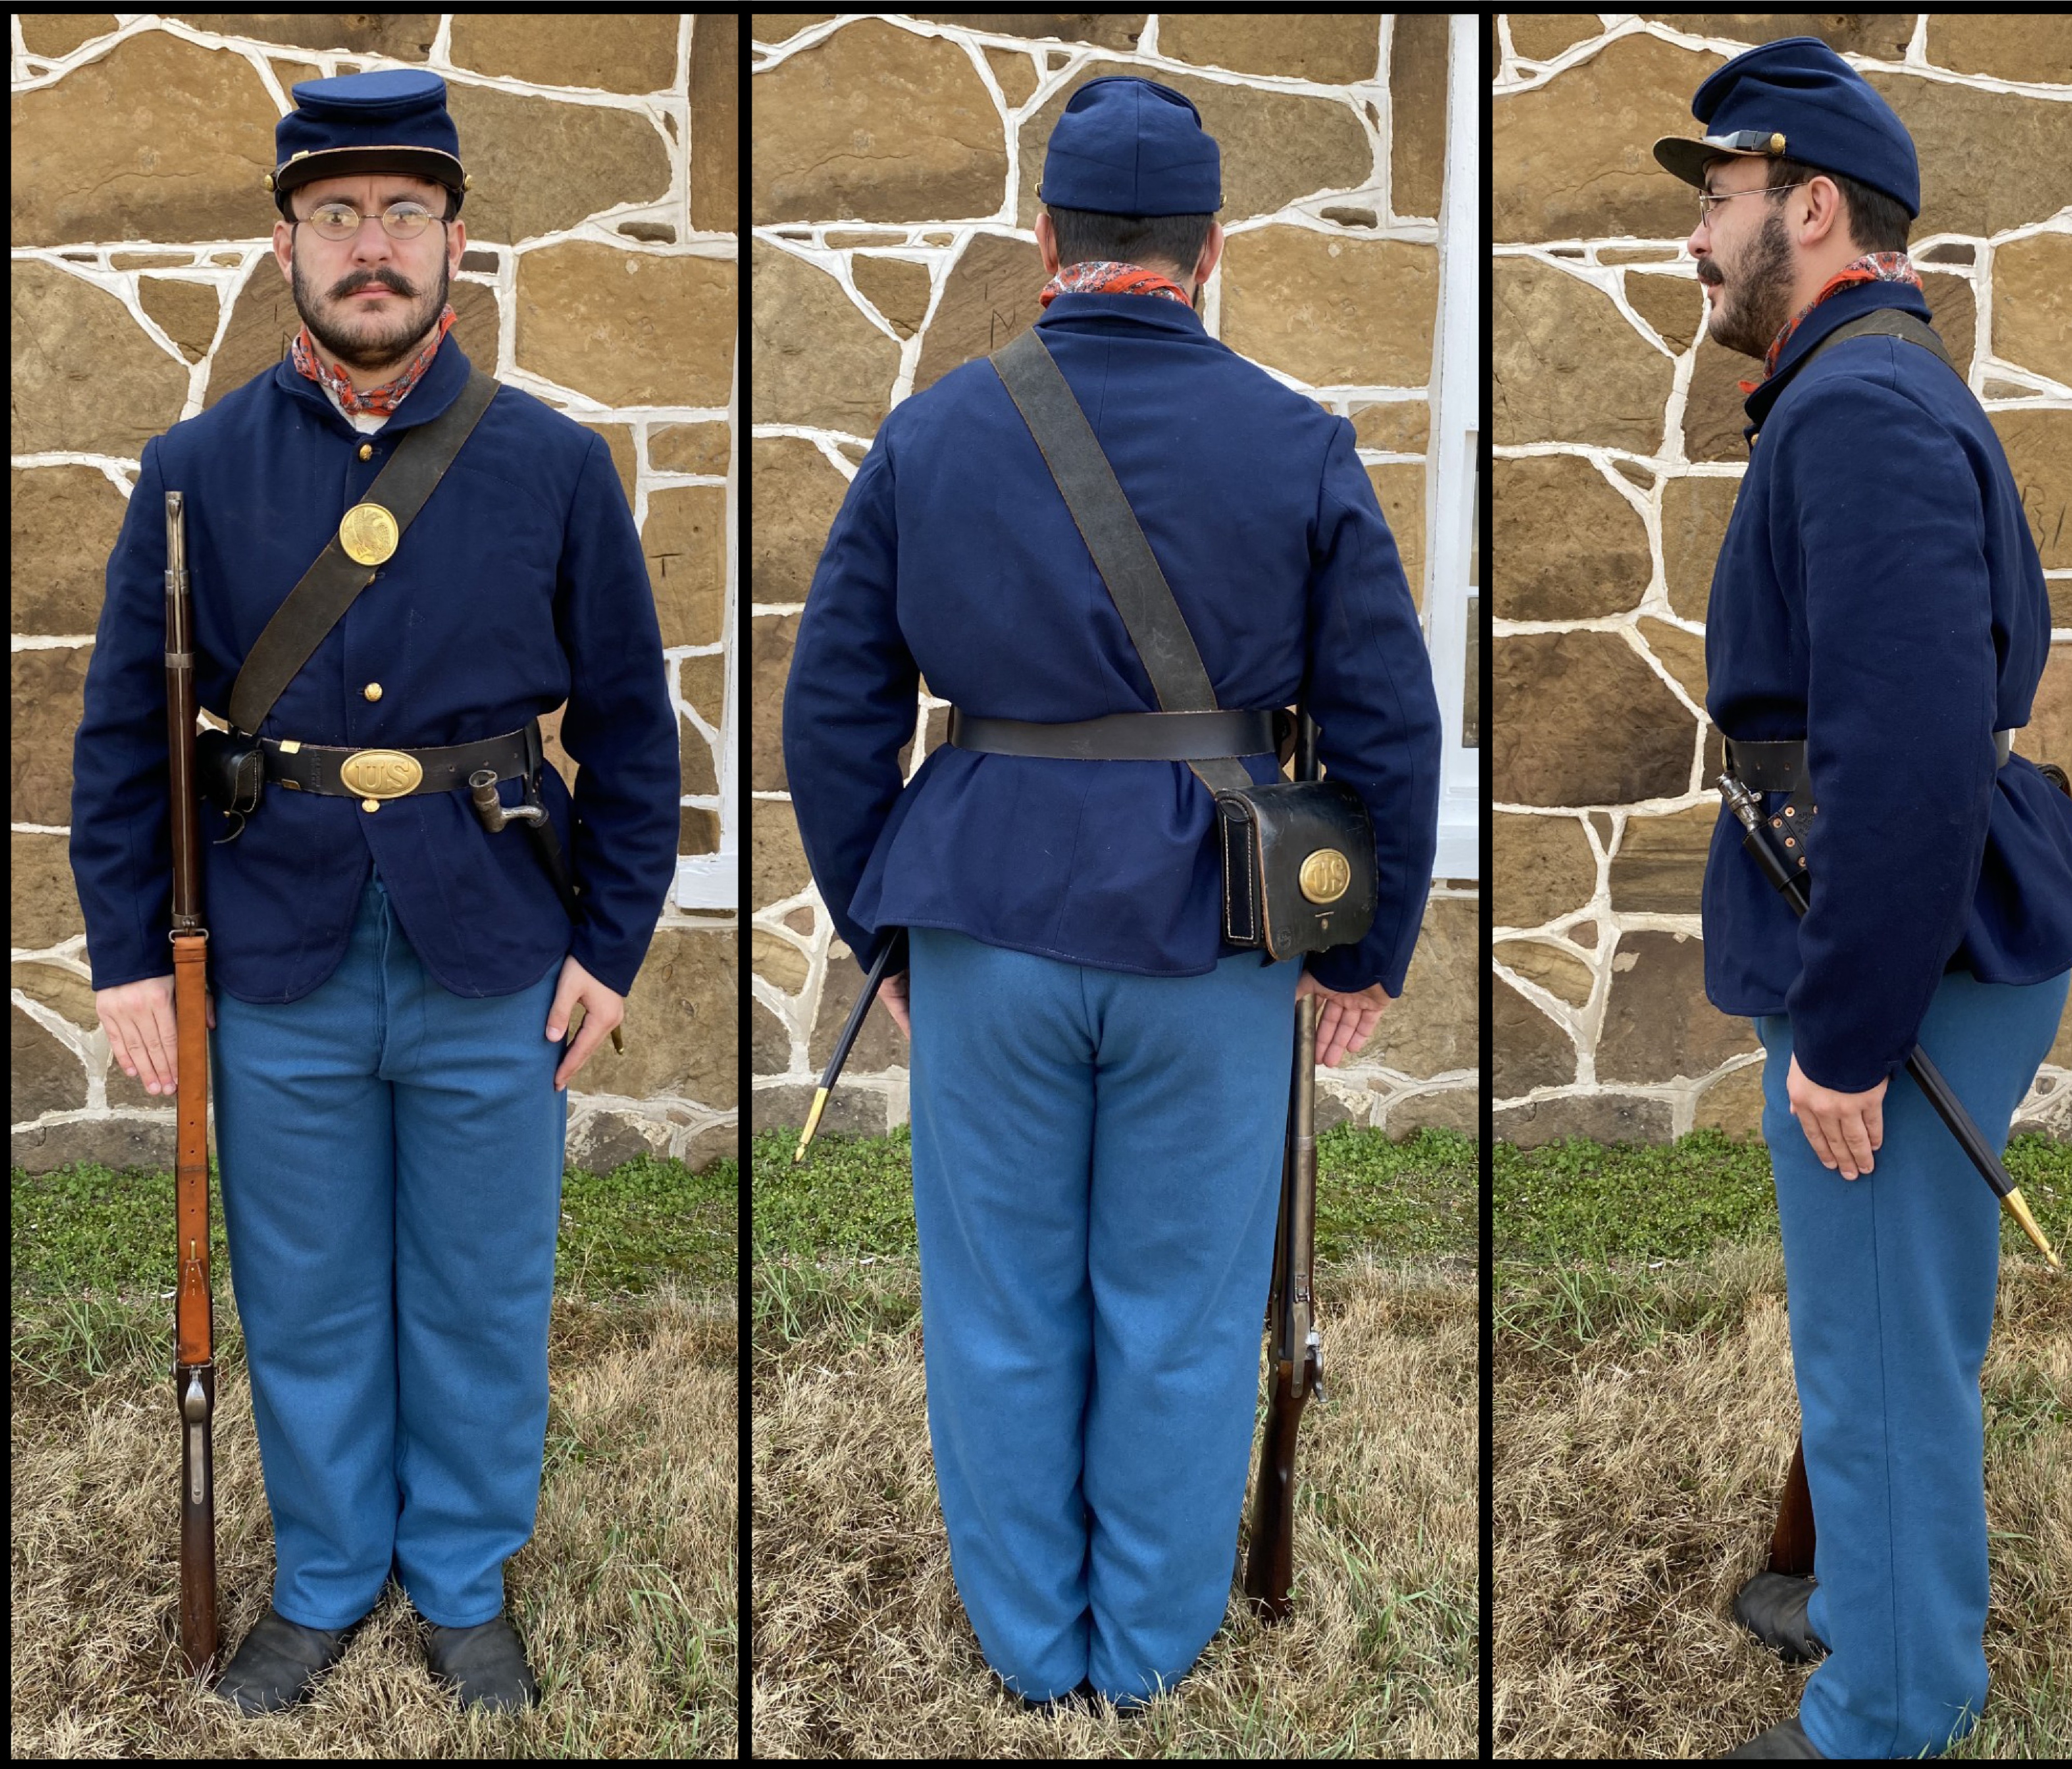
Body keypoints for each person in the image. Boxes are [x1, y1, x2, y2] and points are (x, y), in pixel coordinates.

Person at [780, 74, 1442, 1713]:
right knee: (1183, 1310)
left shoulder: (933, 434)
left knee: (1002, 1306)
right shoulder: (1299, 442)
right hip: (1215, 933)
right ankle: (1144, 1648)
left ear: (1045, 240)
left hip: (987, 921)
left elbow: (833, 706)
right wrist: (1366, 944)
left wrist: (883, 921)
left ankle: (1028, 1640)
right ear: (1212, 249)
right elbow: (1387, 719)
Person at [69, 68, 681, 1714]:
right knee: (309, 1288)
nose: (371, 246)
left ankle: (464, 1577)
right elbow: (126, 736)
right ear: (285, 245)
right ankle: (332, 1572)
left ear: (456, 243)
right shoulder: (192, 467)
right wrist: (128, 955)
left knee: (481, 1287)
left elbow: (633, 726)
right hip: (276, 941)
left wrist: (612, 944)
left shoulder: (553, 464)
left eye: (404, 211)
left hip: (496, 938)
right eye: (335, 213)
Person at [1652, 36, 2072, 1760]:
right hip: (1901, 927)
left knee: (1885, 1350)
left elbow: (1908, 756)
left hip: (1904, 957)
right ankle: (1875, 1603)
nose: (1700, 237)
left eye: (1722, 198)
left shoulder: (1859, 410)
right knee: (1884, 1321)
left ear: (1816, 209)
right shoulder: (1862, 388)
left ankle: (1892, 1704)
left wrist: (1845, 1035)